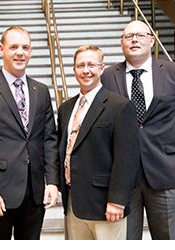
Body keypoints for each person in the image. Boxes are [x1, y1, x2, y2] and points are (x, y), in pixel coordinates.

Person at [101, 20, 175, 240]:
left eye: (139, 35)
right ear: (121, 43)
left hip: (165, 171)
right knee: (125, 240)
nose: (134, 40)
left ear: (151, 40)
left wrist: (169, 134)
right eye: (128, 36)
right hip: (124, 178)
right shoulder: (108, 76)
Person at [0, 25, 59, 240]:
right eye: (14, 47)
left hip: (35, 192)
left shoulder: (41, 90)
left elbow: (49, 139)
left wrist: (52, 182)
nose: (20, 52)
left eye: (25, 47)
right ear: (2, 49)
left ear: (31, 51)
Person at [57, 44, 140, 240]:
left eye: (91, 65)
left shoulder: (120, 106)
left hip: (106, 205)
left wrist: (117, 201)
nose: (86, 70)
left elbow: (127, 158)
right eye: (80, 66)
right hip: (74, 203)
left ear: (102, 68)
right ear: (74, 69)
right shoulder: (66, 108)